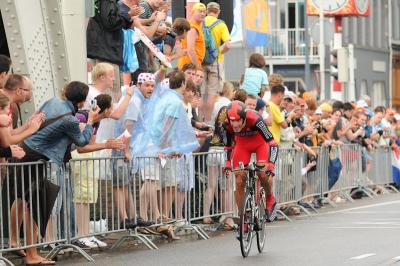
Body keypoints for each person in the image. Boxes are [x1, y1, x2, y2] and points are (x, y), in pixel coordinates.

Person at [10, 81, 101, 265]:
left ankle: (14, 241)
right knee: (36, 206)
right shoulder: (70, 120)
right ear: (82, 102)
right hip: (39, 157)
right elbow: (82, 142)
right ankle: (32, 254)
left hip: (24, 149)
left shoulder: (51, 101)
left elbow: (37, 118)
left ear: (66, 91)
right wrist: (91, 121)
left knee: (20, 200)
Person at [223, 101, 279, 227]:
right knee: (239, 180)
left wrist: (271, 164)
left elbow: (273, 144)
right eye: (232, 121)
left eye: (238, 121)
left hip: (260, 144)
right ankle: (243, 217)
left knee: (262, 173)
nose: (235, 125)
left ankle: (270, 198)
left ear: (244, 118)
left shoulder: (255, 120)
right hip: (242, 145)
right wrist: (227, 163)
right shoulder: (226, 124)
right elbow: (227, 147)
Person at [202, 2, 232, 123]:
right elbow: (228, 44)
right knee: (212, 93)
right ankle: (208, 122)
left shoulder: (201, 22)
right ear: (218, 12)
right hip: (215, 61)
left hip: (201, 60)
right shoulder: (221, 24)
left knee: (201, 92)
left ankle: (200, 119)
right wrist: (220, 51)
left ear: (207, 11)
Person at [177, 3, 206, 70]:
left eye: (204, 12)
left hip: (189, 64)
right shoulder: (192, 28)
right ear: (193, 12)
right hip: (189, 66)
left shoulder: (196, 26)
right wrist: (197, 66)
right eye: (200, 11)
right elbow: (190, 49)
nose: (202, 14)